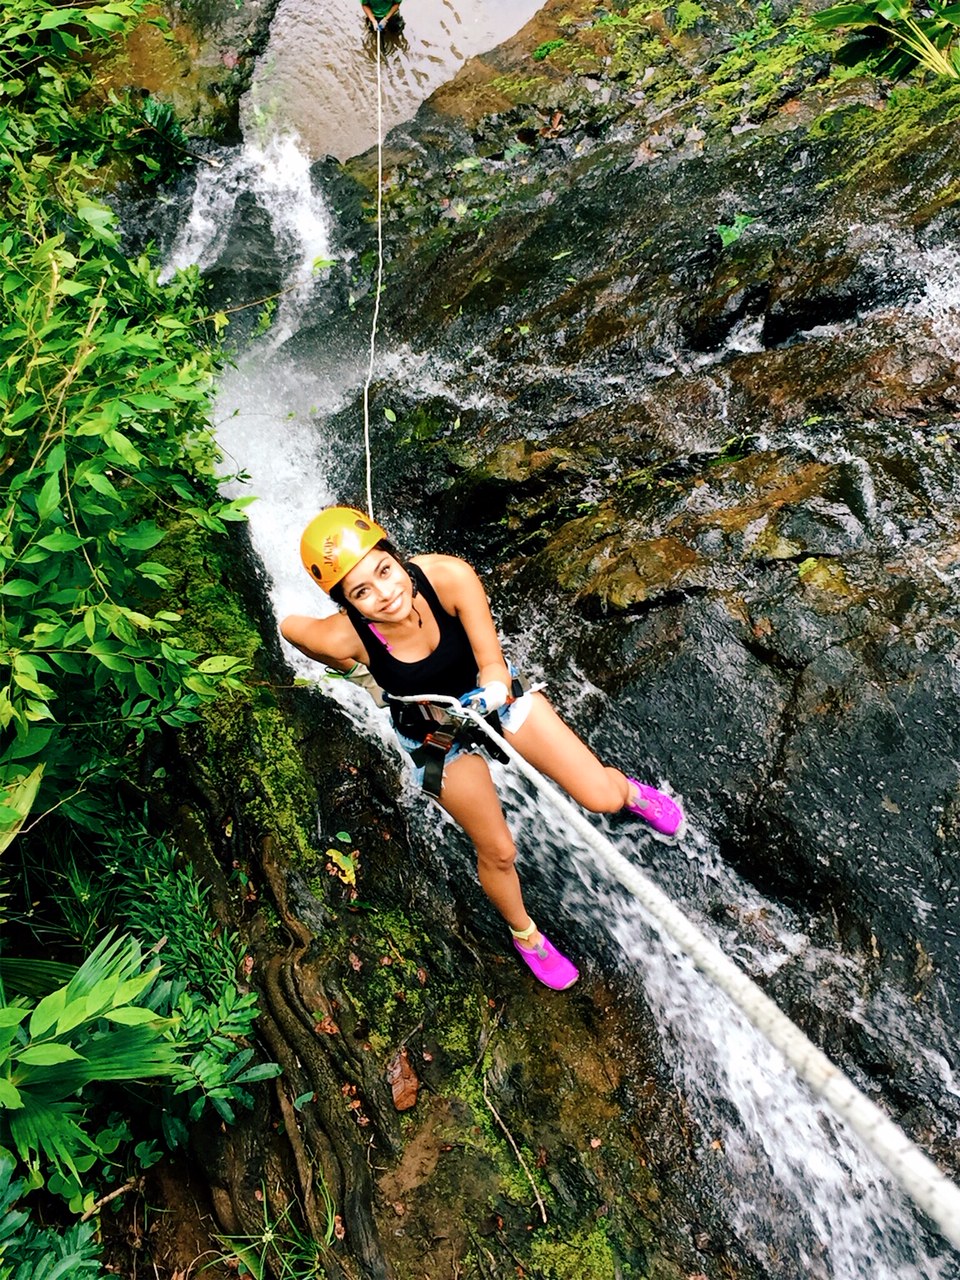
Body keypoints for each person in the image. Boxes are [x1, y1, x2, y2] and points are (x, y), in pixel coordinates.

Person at [281, 507, 686, 991]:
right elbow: (291, 628)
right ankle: (526, 935)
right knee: (498, 851)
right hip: (434, 736)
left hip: (495, 699)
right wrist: (360, 675)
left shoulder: (449, 578)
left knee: (599, 796)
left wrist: (493, 688)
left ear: (396, 556)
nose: (384, 594)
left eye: (384, 571)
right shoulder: (345, 634)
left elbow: (491, 661)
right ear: (346, 604)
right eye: (361, 592)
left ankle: (628, 792)